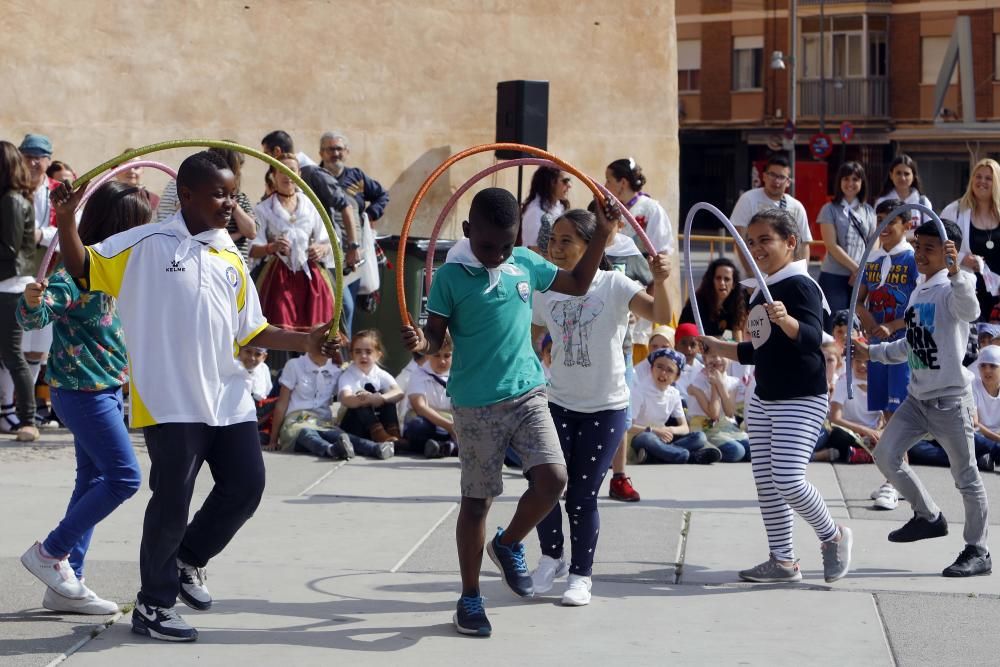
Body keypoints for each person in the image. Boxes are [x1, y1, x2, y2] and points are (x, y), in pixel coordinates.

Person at [51, 150, 342, 642]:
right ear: (186, 195)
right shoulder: (144, 242)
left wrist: (306, 338)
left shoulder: (230, 252)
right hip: (171, 401)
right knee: (172, 502)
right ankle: (153, 605)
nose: (230, 203)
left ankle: (189, 559)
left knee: (246, 486)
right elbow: (82, 267)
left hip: (229, 399)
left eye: (233, 194)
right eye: (219, 194)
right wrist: (64, 219)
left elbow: (252, 331)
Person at [401, 187, 618, 636]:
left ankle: (508, 542)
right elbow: (434, 339)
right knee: (477, 501)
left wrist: (604, 231)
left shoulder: (524, 262)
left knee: (554, 479)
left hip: (528, 393)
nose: (499, 254)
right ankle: (470, 598)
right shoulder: (450, 276)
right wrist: (420, 343)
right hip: (476, 404)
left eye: (507, 243)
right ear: (467, 232)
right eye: (489, 245)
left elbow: (578, 284)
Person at [17, 181, 150, 614]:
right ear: (120, 227)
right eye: (138, 226)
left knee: (92, 480)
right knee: (125, 477)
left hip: (107, 389)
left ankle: (65, 582)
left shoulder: (119, 268)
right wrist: (31, 301)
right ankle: (50, 554)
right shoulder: (76, 271)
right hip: (80, 393)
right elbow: (39, 311)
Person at [700, 208, 852, 585]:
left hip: (801, 396)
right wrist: (721, 347)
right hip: (765, 395)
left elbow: (814, 337)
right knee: (767, 482)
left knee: (787, 478)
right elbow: (759, 351)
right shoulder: (761, 290)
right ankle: (783, 560)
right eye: (751, 242)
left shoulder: (801, 286)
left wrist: (786, 321)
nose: (756, 248)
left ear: (791, 242)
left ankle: (833, 535)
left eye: (765, 240)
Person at [529, 207, 670, 604]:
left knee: (582, 495)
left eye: (566, 241)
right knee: (543, 486)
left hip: (605, 407)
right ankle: (551, 557)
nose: (555, 248)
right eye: (553, 240)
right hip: (557, 402)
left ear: (592, 245)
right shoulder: (545, 288)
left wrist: (661, 281)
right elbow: (529, 329)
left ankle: (580, 575)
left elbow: (662, 314)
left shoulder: (614, 285)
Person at [853, 218, 991, 578]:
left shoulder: (954, 286)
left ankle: (978, 549)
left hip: (950, 401)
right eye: (918, 247)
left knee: (967, 477)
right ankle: (928, 516)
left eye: (929, 248)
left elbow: (971, 311)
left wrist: (957, 271)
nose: (920, 255)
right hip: (917, 400)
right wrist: (874, 353)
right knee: (884, 454)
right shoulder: (918, 289)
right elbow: (912, 342)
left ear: (949, 252)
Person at [855, 199, 918, 510]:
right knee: (886, 413)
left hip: (903, 344)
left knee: (899, 413)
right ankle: (898, 476)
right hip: (877, 346)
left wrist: (892, 323)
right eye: (879, 222)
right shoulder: (874, 260)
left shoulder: (913, 259)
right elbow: (859, 300)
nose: (883, 229)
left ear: (906, 225)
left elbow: (922, 306)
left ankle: (894, 481)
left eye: (890, 223)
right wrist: (868, 321)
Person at [250, 155, 335, 331]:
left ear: (299, 174)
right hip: (277, 276)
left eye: (292, 171)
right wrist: (271, 247)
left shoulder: (312, 206)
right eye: (282, 171)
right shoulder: (263, 209)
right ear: (274, 175)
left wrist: (320, 249)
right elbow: (252, 249)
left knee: (321, 325)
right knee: (280, 324)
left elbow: (328, 241)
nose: (288, 175)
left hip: (310, 274)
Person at [266, 347, 391, 460]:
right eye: (319, 342)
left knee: (339, 435)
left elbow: (349, 391)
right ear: (309, 343)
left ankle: (376, 448)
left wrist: (365, 394)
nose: (323, 347)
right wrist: (273, 439)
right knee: (306, 433)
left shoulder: (336, 370)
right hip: (296, 421)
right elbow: (282, 404)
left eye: (329, 343)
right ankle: (330, 450)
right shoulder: (294, 365)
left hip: (322, 421)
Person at [0, 140, 39, 441]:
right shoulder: (12, 198)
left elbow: (9, 250)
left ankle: (28, 419)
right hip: (8, 283)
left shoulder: (12, 201)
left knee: (14, 355)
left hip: (9, 285)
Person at [628, 349, 718, 464]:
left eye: (669, 370)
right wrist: (654, 430)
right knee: (648, 438)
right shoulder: (639, 391)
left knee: (700, 437)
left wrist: (669, 430)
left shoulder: (674, 394)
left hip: (662, 438)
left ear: (677, 377)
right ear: (651, 368)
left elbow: (685, 428)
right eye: (659, 367)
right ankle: (690, 456)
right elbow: (628, 427)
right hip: (640, 436)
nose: (663, 373)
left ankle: (654, 456)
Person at [730, 155, 811, 276]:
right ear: (764, 176)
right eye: (772, 175)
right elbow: (739, 239)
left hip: (786, 277)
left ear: (788, 182)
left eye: (781, 177)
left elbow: (803, 244)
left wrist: (802, 274)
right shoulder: (748, 199)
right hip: (752, 277)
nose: (776, 181)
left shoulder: (796, 206)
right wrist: (751, 274)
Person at [817, 162, 876, 321]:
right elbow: (831, 245)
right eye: (846, 179)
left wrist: (861, 272)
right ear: (839, 182)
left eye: (855, 179)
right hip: (833, 276)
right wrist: (856, 269)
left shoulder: (869, 211)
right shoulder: (829, 209)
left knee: (857, 324)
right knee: (833, 323)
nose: (850, 183)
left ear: (862, 182)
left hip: (861, 278)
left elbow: (873, 245)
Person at [943, 158, 1000, 319]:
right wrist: (961, 259)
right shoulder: (955, 210)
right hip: (968, 292)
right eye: (978, 176)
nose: (982, 181)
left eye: (988, 178)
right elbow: (938, 245)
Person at [337, 330, 405, 445]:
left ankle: (393, 434)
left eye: (368, 352)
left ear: (378, 355)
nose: (363, 356)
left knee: (388, 399)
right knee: (361, 400)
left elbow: (398, 392)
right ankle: (379, 434)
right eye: (358, 352)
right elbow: (346, 398)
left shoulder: (380, 373)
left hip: (380, 424)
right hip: (355, 426)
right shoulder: (348, 375)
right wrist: (365, 399)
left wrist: (381, 398)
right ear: (351, 355)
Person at [686, 350, 751, 462]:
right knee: (737, 451)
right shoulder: (698, 381)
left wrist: (720, 384)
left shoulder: (732, 381)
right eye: (713, 356)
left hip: (724, 426)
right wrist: (715, 385)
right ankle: (703, 451)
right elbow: (713, 414)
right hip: (705, 427)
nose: (718, 359)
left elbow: (729, 412)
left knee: (752, 448)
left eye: (723, 355)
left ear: (730, 359)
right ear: (705, 359)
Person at [604, 158, 674, 255]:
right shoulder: (611, 208)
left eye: (608, 180)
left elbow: (660, 251)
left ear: (623, 182)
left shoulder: (651, 209)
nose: (605, 186)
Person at [403, 334, 458, 458]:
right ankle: (445, 447)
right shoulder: (419, 374)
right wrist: (449, 427)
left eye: (447, 356)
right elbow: (420, 407)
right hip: (429, 423)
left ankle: (445, 447)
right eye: (437, 355)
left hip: (452, 424)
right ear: (427, 355)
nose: (442, 361)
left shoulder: (458, 376)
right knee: (417, 427)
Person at [679, 257, 747, 340]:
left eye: (727, 279)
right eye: (718, 278)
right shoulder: (696, 304)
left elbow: (737, 333)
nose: (722, 283)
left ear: (733, 284)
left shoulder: (736, 304)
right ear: (712, 281)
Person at [520, 166, 571, 254]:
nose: (569, 185)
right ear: (551, 182)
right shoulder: (535, 212)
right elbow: (534, 249)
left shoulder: (559, 207)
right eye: (564, 181)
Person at [874, 154, 933, 229]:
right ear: (891, 175)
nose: (902, 178)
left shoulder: (923, 202)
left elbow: (929, 233)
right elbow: (876, 231)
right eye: (898, 173)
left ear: (914, 176)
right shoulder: (881, 202)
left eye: (906, 174)